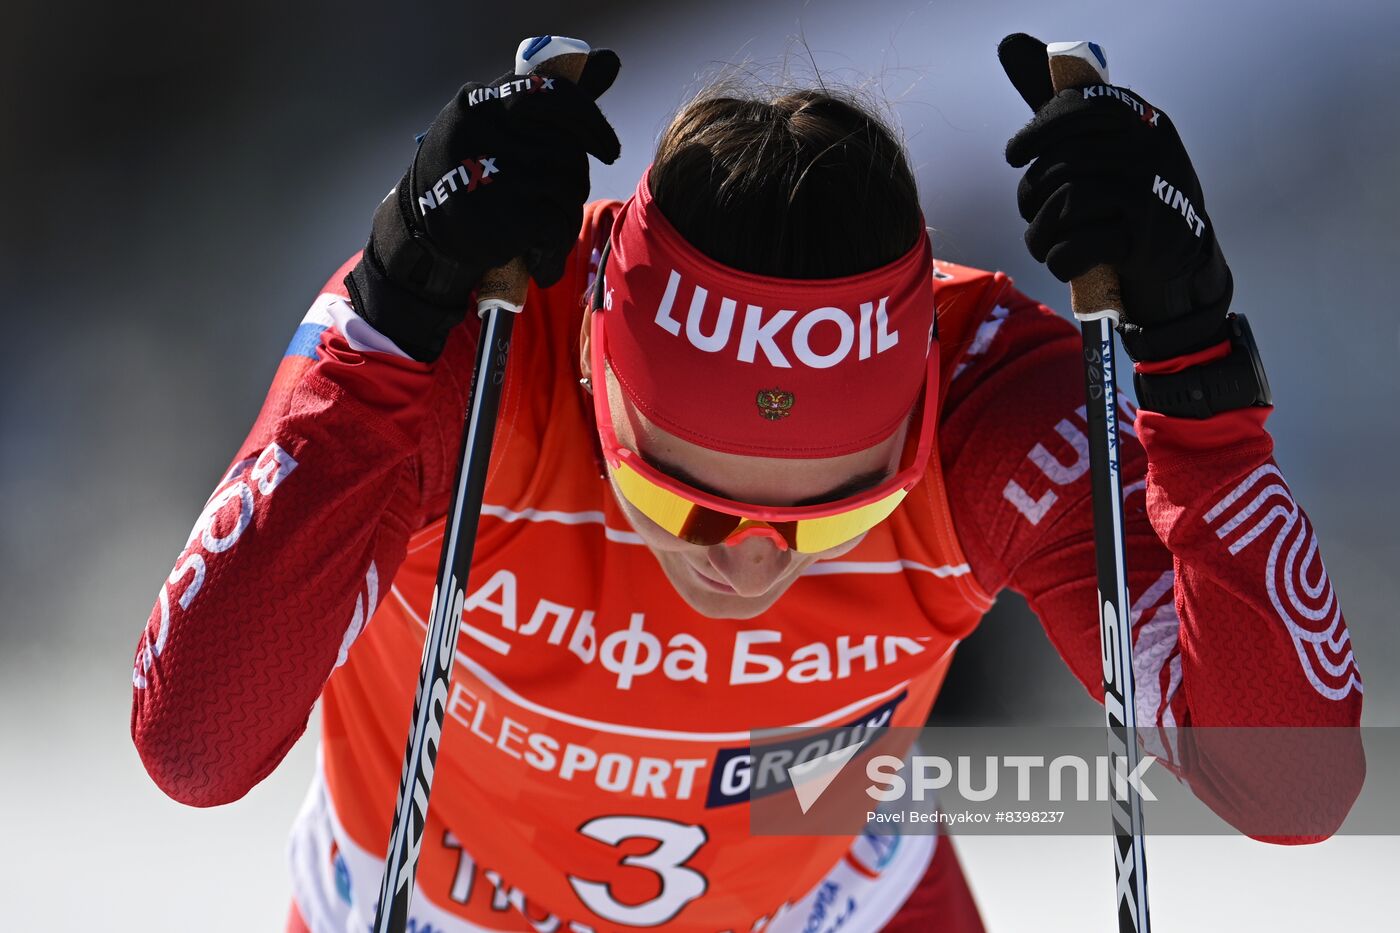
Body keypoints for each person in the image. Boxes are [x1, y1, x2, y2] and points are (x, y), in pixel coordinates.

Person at [130, 33, 1364, 932]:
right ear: (598, 384)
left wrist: (1195, 374)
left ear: (918, 406)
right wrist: (385, 319)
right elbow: (196, 739)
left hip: (827, 897)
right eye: (678, 495)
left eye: (837, 509)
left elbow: (1291, 781)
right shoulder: (470, 344)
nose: (749, 557)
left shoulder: (991, 409)